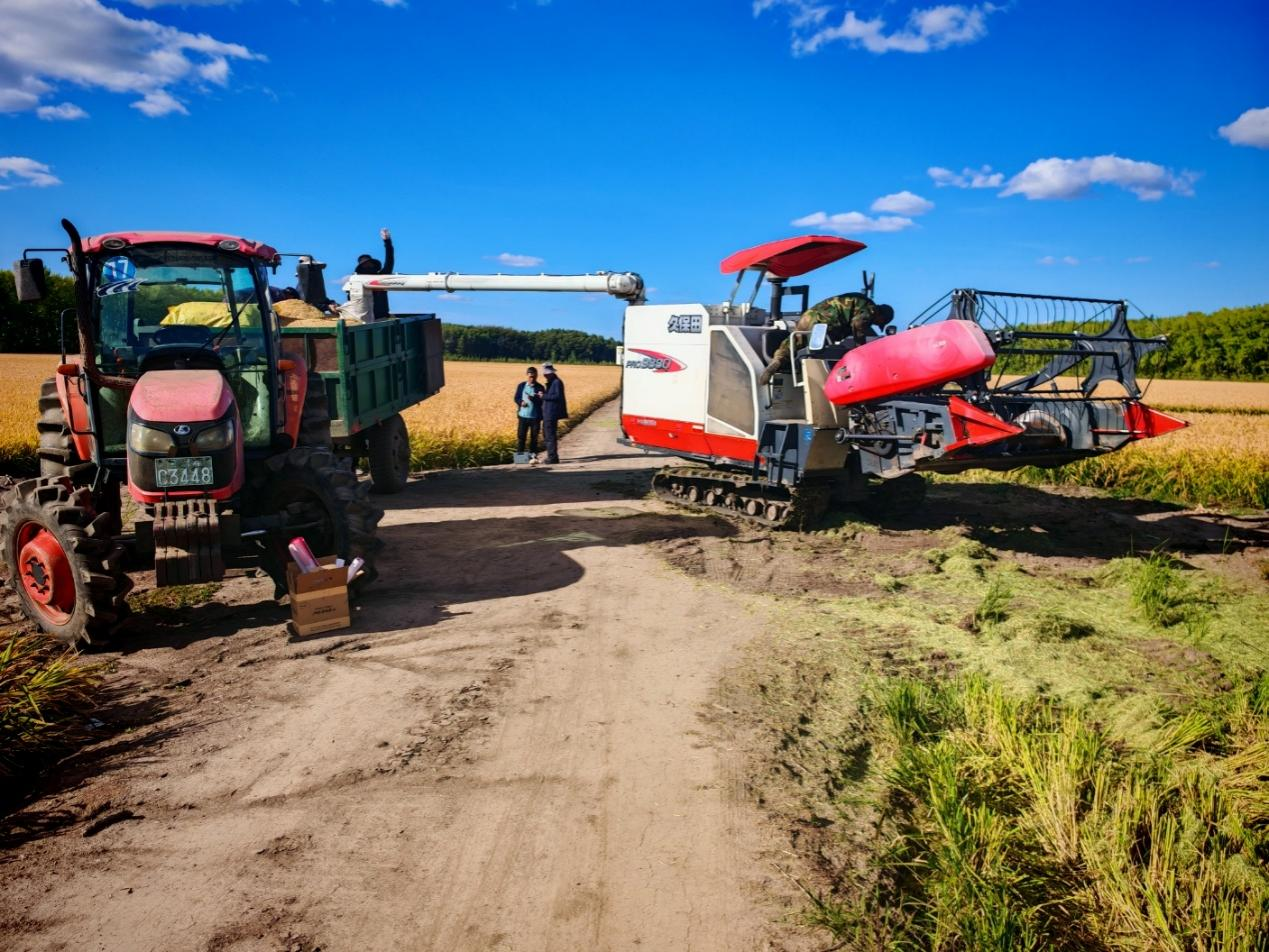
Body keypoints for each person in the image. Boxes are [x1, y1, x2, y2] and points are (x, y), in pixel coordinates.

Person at [758, 292, 894, 386]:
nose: (876, 324)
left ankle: (778, 360)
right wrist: (860, 350)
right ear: (881, 316)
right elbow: (858, 324)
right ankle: (819, 382)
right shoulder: (871, 309)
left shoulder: (862, 301)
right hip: (826, 322)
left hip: (809, 316)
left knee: (794, 341)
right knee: (819, 353)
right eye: (880, 322)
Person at [343, 228, 395, 323]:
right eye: (365, 265)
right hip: (362, 320)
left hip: (381, 319)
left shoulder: (382, 277)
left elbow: (389, 260)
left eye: (369, 264)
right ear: (361, 268)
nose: (368, 266)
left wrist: (387, 241)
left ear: (374, 265)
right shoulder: (355, 282)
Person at [540, 362, 568, 464]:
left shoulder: (556, 382)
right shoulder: (553, 382)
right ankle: (552, 456)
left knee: (550, 436)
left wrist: (543, 396)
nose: (544, 375)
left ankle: (552, 458)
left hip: (551, 413)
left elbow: (557, 396)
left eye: (546, 373)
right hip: (549, 413)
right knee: (547, 435)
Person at [514, 366, 545, 458]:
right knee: (521, 437)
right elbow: (516, 398)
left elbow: (542, 401)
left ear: (537, 376)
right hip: (523, 416)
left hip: (535, 417)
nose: (532, 378)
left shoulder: (540, 387)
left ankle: (532, 458)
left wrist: (534, 399)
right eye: (530, 376)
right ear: (527, 375)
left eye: (534, 376)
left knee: (534, 439)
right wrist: (521, 402)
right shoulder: (521, 386)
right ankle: (520, 459)